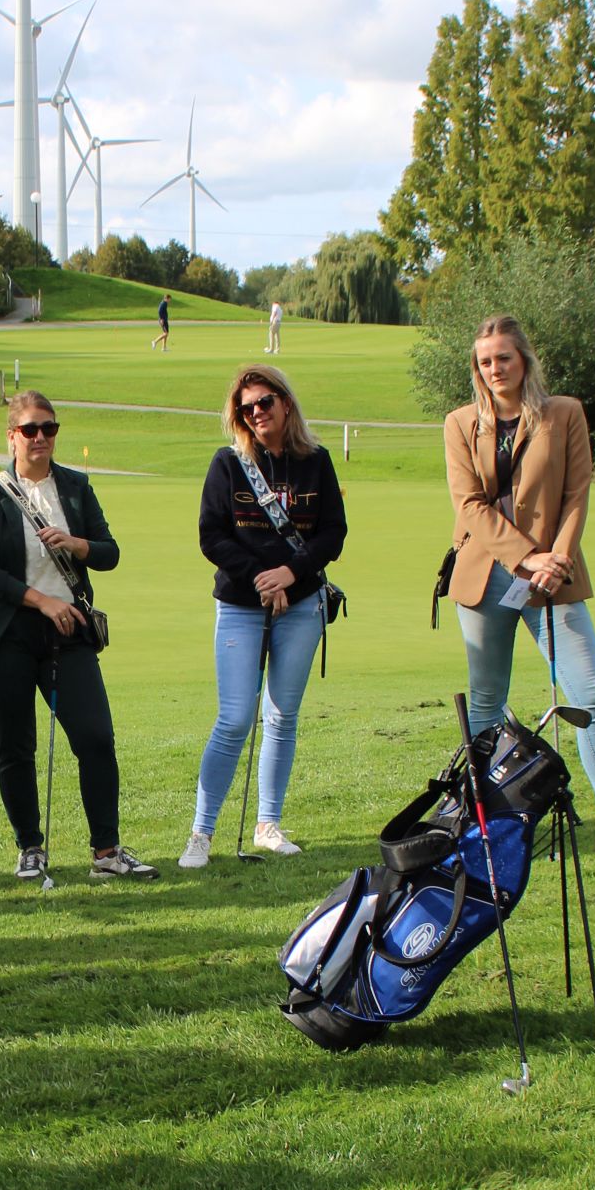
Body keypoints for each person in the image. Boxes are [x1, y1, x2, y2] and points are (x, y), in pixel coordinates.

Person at [442, 314, 595, 862]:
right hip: (486, 577)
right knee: (487, 699)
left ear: (524, 359)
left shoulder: (564, 413)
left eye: (503, 358)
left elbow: (577, 493)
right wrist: (526, 555)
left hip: (554, 577)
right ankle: (488, 824)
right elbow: (469, 504)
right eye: (485, 361)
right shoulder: (460, 422)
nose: (494, 369)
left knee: (591, 692)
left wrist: (556, 558)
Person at [0, 392, 153, 881]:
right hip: (4, 635)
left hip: (69, 633)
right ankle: (30, 847)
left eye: (49, 428)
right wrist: (42, 601)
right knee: (16, 745)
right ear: (12, 436)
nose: (41, 437)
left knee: (95, 737)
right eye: (30, 429)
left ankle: (106, 853)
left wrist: (77, 544)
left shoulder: (75, 487)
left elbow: (109, 553)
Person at [181, 366, 347, 867]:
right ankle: (201, 833)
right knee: (234, 719)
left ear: (285, 403)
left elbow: (332, 533)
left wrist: (290, 573)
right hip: (240, 604)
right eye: (246, 407)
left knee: (282, 715)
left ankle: (268, 825)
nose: (256, 413)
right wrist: (261, 576)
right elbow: (212, 535)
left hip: (301, 604)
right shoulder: (228, 463)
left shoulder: (316, 461)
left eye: (264, 402)